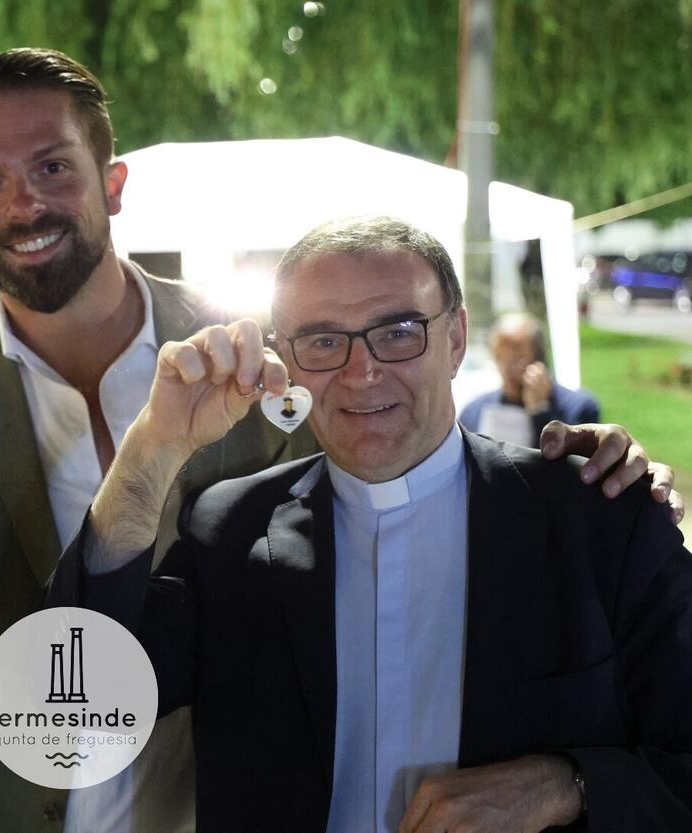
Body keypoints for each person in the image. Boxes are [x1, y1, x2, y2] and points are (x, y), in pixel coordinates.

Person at [0, 49, 672, 833]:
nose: (23, 203)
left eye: (52, 166)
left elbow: (381, 451)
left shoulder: (250, 353)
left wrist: (594, 478)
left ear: (113, 183)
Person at [48, 216, 692, 831]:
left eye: (399, 331)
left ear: (457, 338)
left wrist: (564, 785)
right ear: (285, 363)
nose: (362, 372)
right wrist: (155, 445)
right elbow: (71, 711)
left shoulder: (600, 520)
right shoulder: (230, 534)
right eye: (324, 341)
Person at [459, 311, 600, 446]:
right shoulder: (474, 411)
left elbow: (563, 459)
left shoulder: (578, 408)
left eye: (516, 357)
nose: (507, 368)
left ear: (539, 358)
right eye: (500, 357)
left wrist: (540, 411)